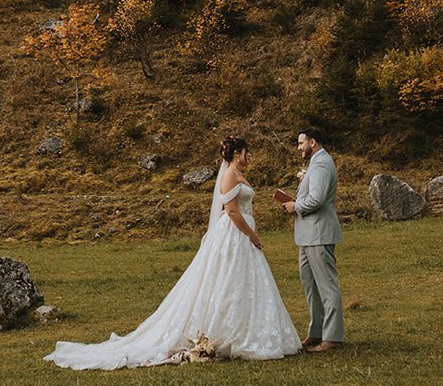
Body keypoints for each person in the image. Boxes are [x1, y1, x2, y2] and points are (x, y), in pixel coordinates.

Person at [45, 137, 301, 369]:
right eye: (247, 152)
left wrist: (253, 232)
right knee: (227, 279)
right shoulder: (229, 176)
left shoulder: (238, 174)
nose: (249, 156)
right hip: (234, 235)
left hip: (243, 234)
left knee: (245, 282)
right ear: (237, 153)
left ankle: (245, 330)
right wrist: (252, 235)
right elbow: (232, 211)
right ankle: (224, 333)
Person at [281, 127, 343, 351]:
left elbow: (317, 199)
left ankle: (333, 337)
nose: (299, 148)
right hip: (307, 236)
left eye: (301, 143)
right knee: (310, 285)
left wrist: (295, 206)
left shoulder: (321, 164)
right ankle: (316, 332)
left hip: (319, 233)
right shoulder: (316, 163)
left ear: (313, 142)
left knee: (326, 286)